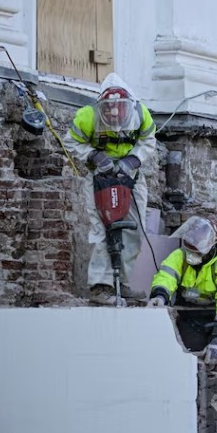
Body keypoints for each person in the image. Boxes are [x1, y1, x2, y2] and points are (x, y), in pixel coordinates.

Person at [63, 72, 156, 305]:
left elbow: (148, 140)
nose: (114, 115)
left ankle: (121, 282)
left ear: (127, 106)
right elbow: (71, 141)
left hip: (131, 175)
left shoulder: (140, 114)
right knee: (100, 228)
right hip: (99, 176)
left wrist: (133, 160)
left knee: (135, 228)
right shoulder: (87, 117)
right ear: (101, 107)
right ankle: (100, 285)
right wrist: (94, 155)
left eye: (118, 110)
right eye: (109, 111)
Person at [148, 216, 217, 418]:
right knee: (185, 368)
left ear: (210, 248)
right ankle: (187, 418)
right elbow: (166, 275)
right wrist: (160, 294)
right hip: (191, 319)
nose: (190, 255)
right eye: (188, 250)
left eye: (195, 252)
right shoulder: (180, 256)